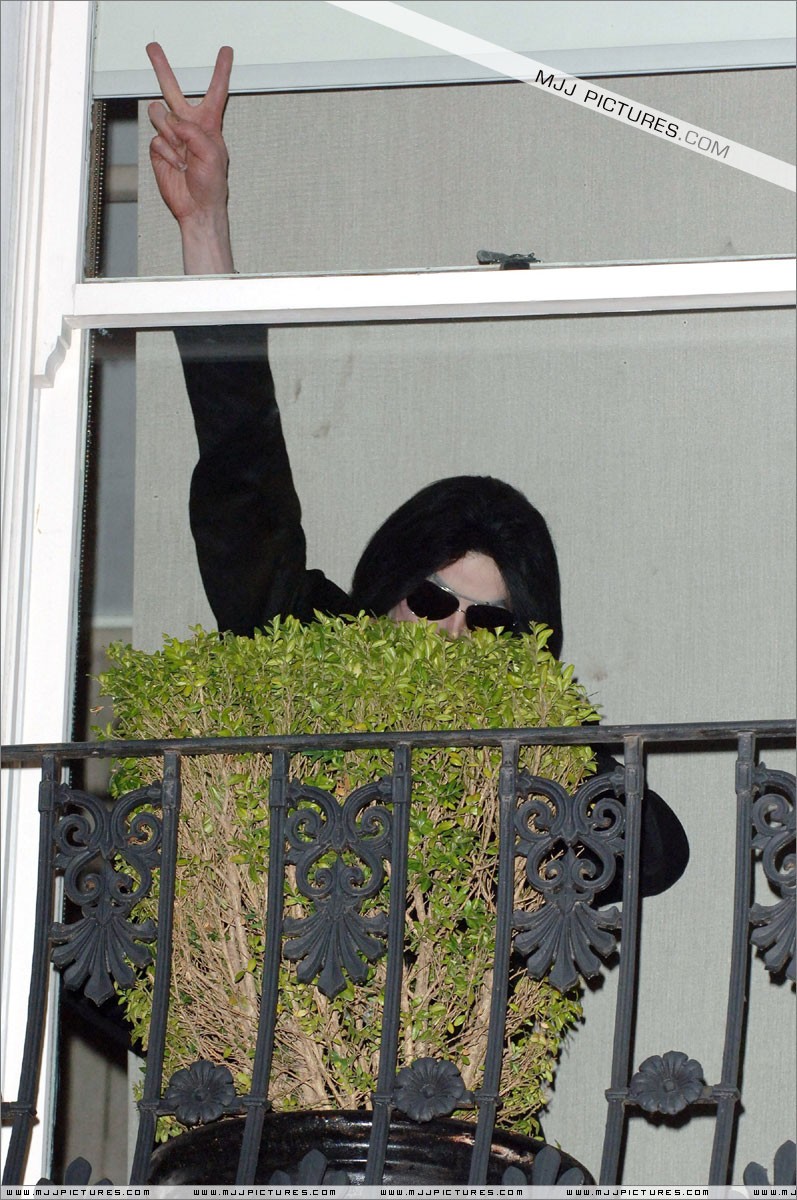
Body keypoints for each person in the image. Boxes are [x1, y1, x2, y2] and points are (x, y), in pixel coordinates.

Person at [145, 42, 689, 899]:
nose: (452, 632)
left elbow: (654, 851)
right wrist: (203, 225)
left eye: (491, 622)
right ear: (394, 588)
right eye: (435, 600)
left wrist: (523, 736)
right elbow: (241, 473)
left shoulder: (523, 753)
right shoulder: (311, 648)